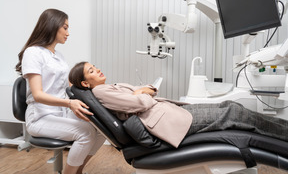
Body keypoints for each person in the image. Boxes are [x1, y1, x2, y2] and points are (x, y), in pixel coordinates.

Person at [69, 61, 288, 148]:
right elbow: (140, 102)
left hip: (170, 112)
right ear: (86, 83)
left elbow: (145, 91)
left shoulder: (111, 85)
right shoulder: (100, 91)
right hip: (165, 121)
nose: (97, 69)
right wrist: (142, 93)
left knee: (230, 106)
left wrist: (143, 91)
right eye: (91, 71)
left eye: (94, 66)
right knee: (233, 113)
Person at [15, 9, 105, 174]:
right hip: (40, 117)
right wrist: (70, 103)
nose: (68, 33)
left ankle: (78, 170)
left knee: (102, 128)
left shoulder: (58, 56)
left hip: (61, 113)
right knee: (85, 133)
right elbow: (38, 95)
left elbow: (67, 85)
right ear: (52, 26)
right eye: (65, 27)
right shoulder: (33, 52)